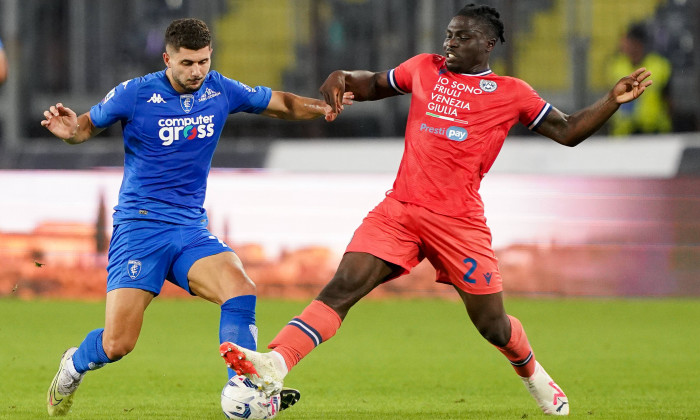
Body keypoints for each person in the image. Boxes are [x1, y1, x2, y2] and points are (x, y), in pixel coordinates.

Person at [220, 3, 653, 416]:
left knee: (493, 326)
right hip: (401, 209)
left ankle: (534, 374)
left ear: (487, 45)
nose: (450, 43)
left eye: (462, 37)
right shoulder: (424, 68)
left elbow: (569, 131)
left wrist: (612, 100)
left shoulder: (511, 93)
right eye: (448, 34)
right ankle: (274, 364)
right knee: (343, 285)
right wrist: (342, 76)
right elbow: (373, 84)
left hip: (458, 223)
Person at [42, 18, 351, 417]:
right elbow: (83, 128)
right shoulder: (135, 94)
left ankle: (243, 389)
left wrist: (323, 107)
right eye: (187, 63)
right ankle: (73, 364)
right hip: (140, 228)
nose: (197, 72)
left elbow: (281, 104)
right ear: (167, 58)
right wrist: (69, 131)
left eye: (203, 62)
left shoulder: (219, 88)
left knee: (240, 289)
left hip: (189, 228)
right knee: (118, 344)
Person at [608, 23, 671, 135]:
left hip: (654, 131)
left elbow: (668, 99)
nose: (627, 46)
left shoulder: (659, 66)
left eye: (630, 42)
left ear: (639, 44)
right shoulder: (617, 66)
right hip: (624, 134)